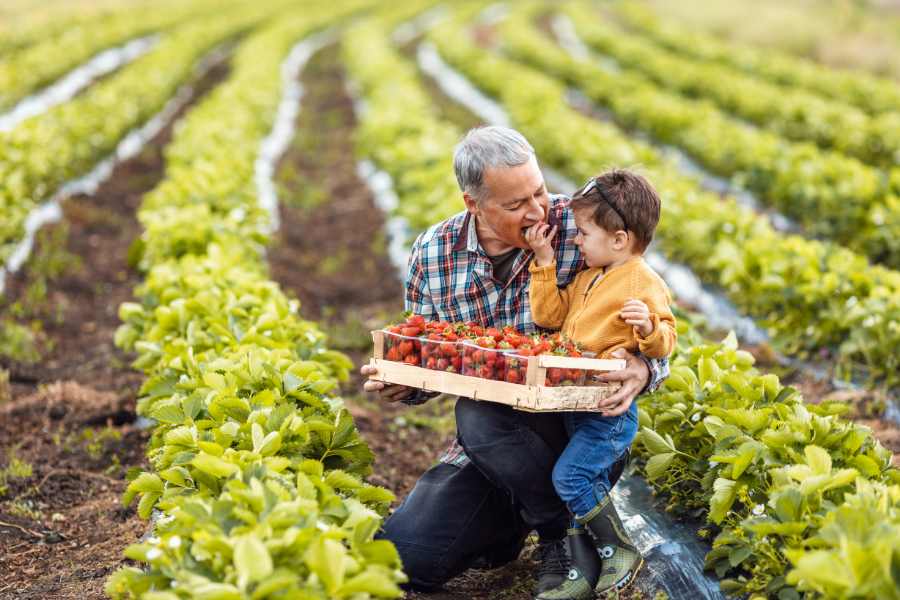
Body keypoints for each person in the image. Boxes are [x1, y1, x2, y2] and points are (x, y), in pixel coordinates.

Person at [360, 126, 670, 598]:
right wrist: (406, 382)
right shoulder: (433, 254)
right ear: (473, 204)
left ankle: (559, 540)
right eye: (515, 204)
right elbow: (432, 359)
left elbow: (651, 314)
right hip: (488, 450)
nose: (538, 210)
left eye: (540, 190)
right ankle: (523, 525)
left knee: (476, 410)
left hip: (573, 429)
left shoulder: (585, 227)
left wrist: (646, 368)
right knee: (404, 562)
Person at [524, 167, 676, 599]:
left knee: (570, 478)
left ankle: (620, 550)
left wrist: (647, 327)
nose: (576, 240)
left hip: (608, 414)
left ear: (619, 239)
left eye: (583, 233)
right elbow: (549, 318)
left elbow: (667, 340)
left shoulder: (643, 282)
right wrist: (545, 265)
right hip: (578, 406)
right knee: (585, 487)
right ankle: (584, 572)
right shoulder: (589, 277)